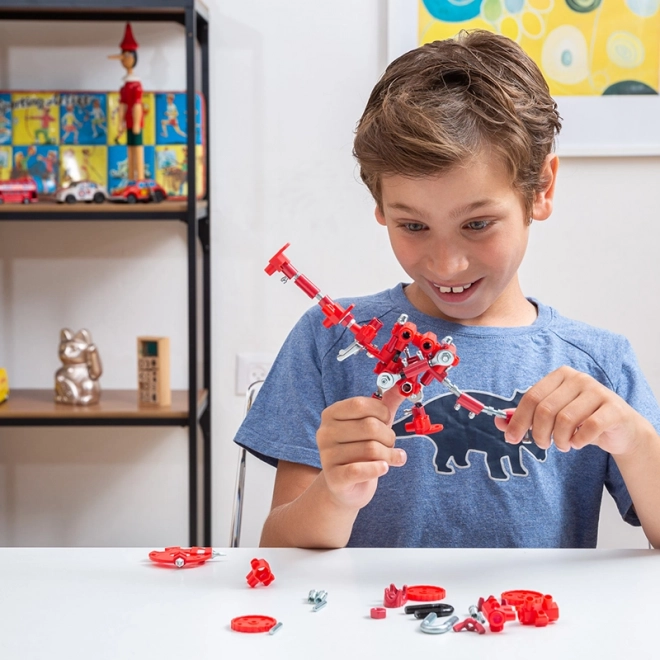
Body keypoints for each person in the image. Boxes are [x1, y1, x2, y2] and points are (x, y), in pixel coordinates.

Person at [233, 30, 660, 550]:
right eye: (413, 226)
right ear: (380, 207)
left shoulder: (600, 364)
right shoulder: (327, 342)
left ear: (541, 189)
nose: (446, 263)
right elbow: (279, 550)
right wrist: (336, 493)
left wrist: (634, 440)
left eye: (477, 224)